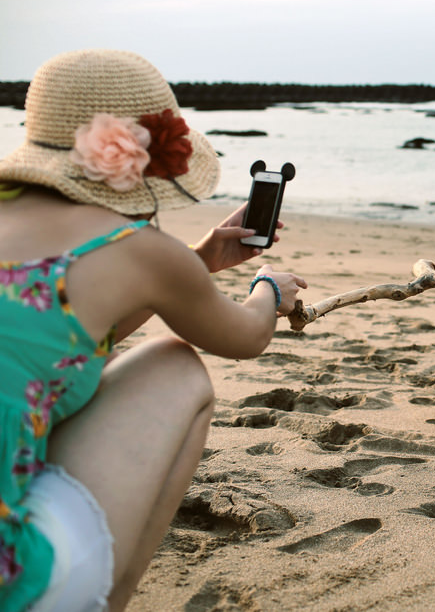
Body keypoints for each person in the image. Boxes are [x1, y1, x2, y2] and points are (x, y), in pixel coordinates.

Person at [0, 49, 307, 611]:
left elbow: (57, 336)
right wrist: (268, 288)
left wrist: (198, 261)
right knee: (173, 364)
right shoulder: (140, 253)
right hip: (12, 574)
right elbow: (247, 337)